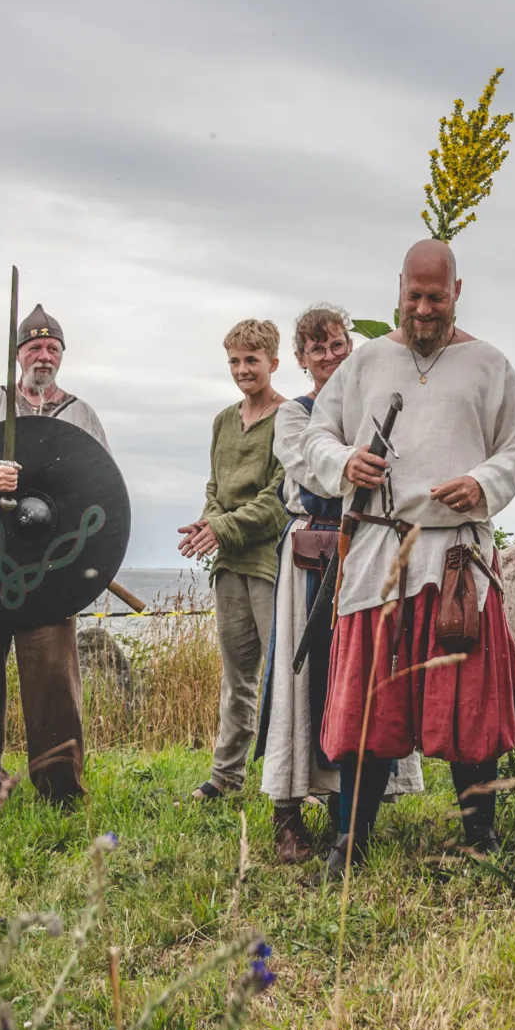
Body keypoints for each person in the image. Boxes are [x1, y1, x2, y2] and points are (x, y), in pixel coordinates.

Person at [298, 241, 515, 876]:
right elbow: (313, 435)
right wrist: (344, 462)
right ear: (398, 289)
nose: (424, 309)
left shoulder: (489, 365)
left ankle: (477, 837)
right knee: (369, 702)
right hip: (378, 550)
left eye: (437, 297)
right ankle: (348, 841)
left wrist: (482, 483)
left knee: (469, 704)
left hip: (456, 558)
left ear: (458, 291)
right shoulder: (367, 362)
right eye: (414, 296)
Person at [256, 305, 420, 863]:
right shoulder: (294, 415)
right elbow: (307, 464)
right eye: (316, 349)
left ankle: (347, 811)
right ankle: (286, 813)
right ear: (301, 361)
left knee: (355, 679)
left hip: (371, 551)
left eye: (336, 344)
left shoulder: (372, 404)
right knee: (301, 682)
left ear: (350, 346)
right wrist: (352, 462)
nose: (329, 356)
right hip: (314, 553)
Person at [0, 302, 108, 807]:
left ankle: (61, 792)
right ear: (18, 355)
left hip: (51, 570)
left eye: (53, 347)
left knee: (54, 689)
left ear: (62, 356)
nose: (44, 355)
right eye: (35, 347)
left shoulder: (80, 414)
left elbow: (100, 487)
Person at [180, 320, 290, 804]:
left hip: (270, 563)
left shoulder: (289, 419)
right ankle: (226, 775)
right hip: (229, 564)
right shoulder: (224, 420)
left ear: (274, 363)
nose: (243, 370)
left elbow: (279, 498)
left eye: (252, 360)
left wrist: (219, 529)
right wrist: (209, 523)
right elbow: (215, 488)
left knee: (284, 676)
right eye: (235, 361)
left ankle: (293, 780)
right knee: (237, 675)